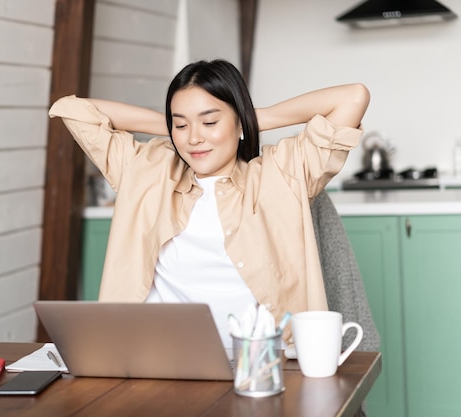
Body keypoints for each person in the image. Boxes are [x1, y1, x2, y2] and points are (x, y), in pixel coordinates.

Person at [49, 59, 370, 347]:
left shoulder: (282, 174)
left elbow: (352, 97)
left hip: (257, 362)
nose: (194, 139)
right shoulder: (146, 170)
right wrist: (177, 126)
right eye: (182, 124)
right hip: (155, 357)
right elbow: (72, 110)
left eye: (210, 122)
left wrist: (250, 118)